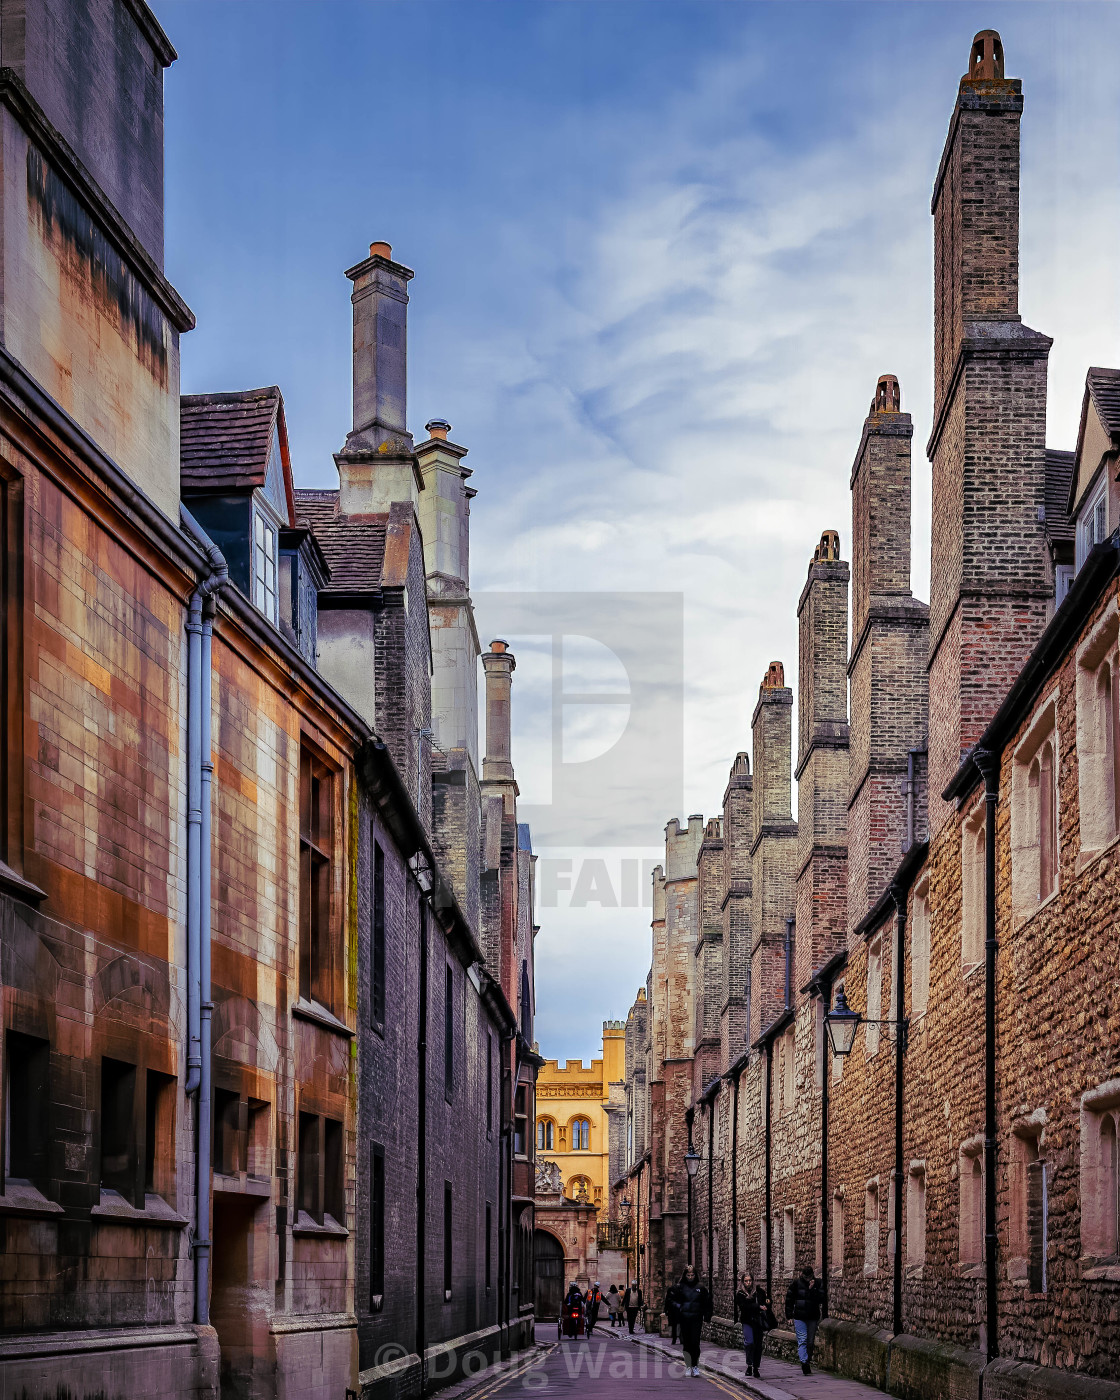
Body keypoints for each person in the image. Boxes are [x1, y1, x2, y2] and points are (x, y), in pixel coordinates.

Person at [785, 1265, 825, 1375]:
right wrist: (789, 1316)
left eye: (809, 1277)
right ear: (802, 1275)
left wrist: (812, 1290)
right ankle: (804, 1364)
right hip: (799, 1317)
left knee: (810, 1342)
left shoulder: (818, 1283)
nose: (807, 1279)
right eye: (805, 1277)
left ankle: (807, 1360)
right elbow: (789, 1300)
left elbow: (821, 1299)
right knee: (802, 1340)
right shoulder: (796, 1283)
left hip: (812, 1317)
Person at [676, 1264, 713, 1377]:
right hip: (685, 1319)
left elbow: (708, 1303)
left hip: (696, 1319)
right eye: (688, 1275)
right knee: (687, 1344)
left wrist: (707, 1316)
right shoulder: (680, 1287)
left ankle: (695, 1366)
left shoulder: (701, 1288)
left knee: (695, 1343)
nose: (690, 1277)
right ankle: (688, 1366)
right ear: (685, 1275)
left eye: (692, 1275)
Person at [733, 1271, 769, 1378]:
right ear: (743, 1282)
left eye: (750, 1280)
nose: (748, 1283)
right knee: (749, 1342)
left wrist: (767, 1303)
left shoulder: (759, 1292)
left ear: (753, 1281)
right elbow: (743, 1306)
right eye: (746, 1281)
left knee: (758, 1345)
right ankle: (749, 1365)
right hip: (747, 1322)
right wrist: (757, 1306)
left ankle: (756, 1368)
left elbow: (766, 1301)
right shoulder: (740, 1294)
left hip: (758, 1322)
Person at [665, 1278, 683, 1345]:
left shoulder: (682, 1290)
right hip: (673, 1310)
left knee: (680, 1325)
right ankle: (675, 1339)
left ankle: (680, 1338)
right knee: (675, 1325)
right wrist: (666, 1310)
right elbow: (668, 1300)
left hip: (680, 1310)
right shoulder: (671, 1289)